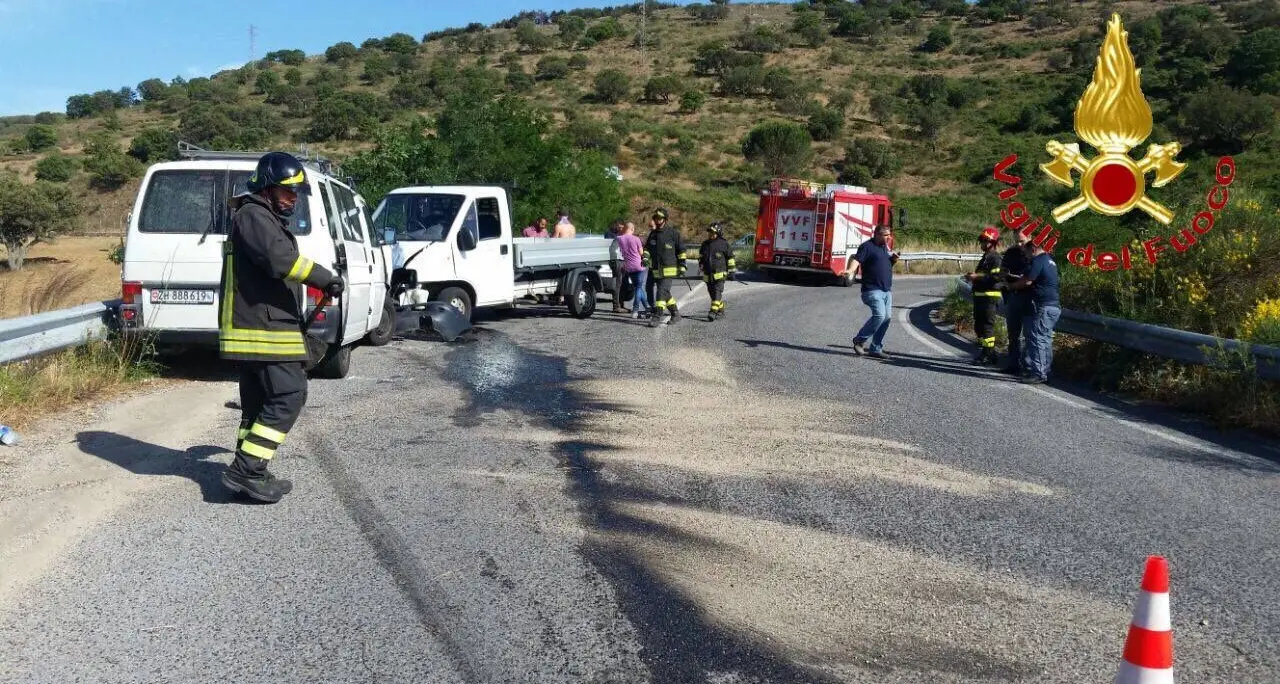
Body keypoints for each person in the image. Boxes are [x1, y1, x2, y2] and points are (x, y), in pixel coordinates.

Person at [219, 151, 344, 503]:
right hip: (265, 327)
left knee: (258, 402)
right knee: (290, 394)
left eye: (297, 192)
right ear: (267, 188)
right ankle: (246, 469)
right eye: (288, 191)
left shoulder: (258, 216)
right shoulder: (255, 215)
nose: (294, 198)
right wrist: (325, 278)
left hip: (259, 324)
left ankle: (250, 470)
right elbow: (280, 260)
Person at [1009, 240, 1061, 385]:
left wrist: (1011, 286)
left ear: (1033, 249)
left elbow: (1027, 281)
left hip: (1041, 306)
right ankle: (1045, 371)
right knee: (1045, 339)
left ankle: (1038, 373)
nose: (1025, 256)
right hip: (1053, 306)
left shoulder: (1037, 261)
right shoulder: (1050, 260)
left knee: (1037, 339)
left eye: (1026, 252)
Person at [850, 225, 899, 359]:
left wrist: (893, 260)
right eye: (886, 235)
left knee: (886, 318)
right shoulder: (866, 247)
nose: (889, 237)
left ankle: (876, 348)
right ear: (877, 234)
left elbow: (883, 265)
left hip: (886, 290)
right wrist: (849, 270)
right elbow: (856, 259)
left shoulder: (884, 247)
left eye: (889, 235)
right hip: (872, 290)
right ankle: (859, 340)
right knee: (880, 315)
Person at [963, 226, 1004, 366]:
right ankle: (989, 353)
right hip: (980, 297)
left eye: (984, 241)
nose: (981, 243)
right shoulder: (986, 257)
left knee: (987, 327)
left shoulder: (996, 258)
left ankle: (988, 353)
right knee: (979, 326)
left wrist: (976, 277)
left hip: (989, 298)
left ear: (992, 242)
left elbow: (995, 277)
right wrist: (973, 277)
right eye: (981, 240)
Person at [998, 229, 1033, 375]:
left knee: (1029, 334)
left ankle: (1028, 367)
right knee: (1013, 334)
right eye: (1016, 241)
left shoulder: (1035, 253)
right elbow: (1002, 271)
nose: (1019, 244)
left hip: (1030, 298)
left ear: (1030, 237)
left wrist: (1018, 278)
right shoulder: (1011, 253)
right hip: (1013, 296)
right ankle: (1013, 364)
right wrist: (1004, 276)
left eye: (1022, 241)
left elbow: (1033, 277)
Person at [643, 207, 685, 327]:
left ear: (665, 219)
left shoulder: (673, 233)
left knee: (661, 291)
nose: (657, 219)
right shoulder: (653, 234)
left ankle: (657, 315)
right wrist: (645, 258)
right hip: (656, 269)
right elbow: (647, 249)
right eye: (656, 217)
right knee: (665, 293)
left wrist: (682, 265)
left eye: (659, 218)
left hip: (669, 269)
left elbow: (681, 250)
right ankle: (675, 314)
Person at [698, 222, 736, 321]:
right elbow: (701, 257)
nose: (710, 234)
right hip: (708, 275)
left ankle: (713, 312)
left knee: (717, 292)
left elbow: (730, 258)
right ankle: (721, 310)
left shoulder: (724, 244)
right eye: (709, 232)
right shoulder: (705, 244)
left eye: (713, 232)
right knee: (713, 295)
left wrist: (731, 272)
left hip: (720, 275)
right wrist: (701, 265)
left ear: (718, 233)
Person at [616, 221, 649, 319]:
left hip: (628, 267)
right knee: (638, 288)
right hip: (639, 266)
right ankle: (635, 310)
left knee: (638, 287)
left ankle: (647, 308)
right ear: (632, 229)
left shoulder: (619, 239)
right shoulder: (636, 239)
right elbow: (642, 253)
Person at [605, 219, 626, 313]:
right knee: (618, 284)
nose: (622, 229)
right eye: (621, 227)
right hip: (617, 260)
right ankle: (616, 305)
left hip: (617, 260)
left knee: (619, 283)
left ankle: (620, 304)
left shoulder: (611, 234)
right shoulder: (612, 235)